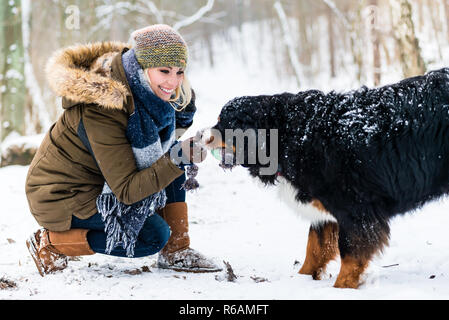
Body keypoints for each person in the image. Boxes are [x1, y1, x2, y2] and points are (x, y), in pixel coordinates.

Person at [25, 24, 221, 276]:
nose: (173, 81)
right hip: (61, 195)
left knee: (173, 157)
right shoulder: (103, 107)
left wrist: (186, 138)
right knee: (150, 236)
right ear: (142, 66)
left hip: (102, 180)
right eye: (164, 71)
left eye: (179, 72)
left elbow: (167, 145)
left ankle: (177, 251)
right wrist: (179, 155)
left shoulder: (147, 93)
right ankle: (51, 242)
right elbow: (128, 190)